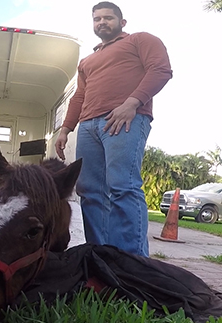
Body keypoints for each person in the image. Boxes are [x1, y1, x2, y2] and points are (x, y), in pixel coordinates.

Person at [55, 1, 172, 258]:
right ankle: (100, 255)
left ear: (122, 22)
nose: (102, 22)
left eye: (108, 18)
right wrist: (65, 129)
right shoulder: (87, 61)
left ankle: (131, 260)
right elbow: (79, 96)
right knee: (89, 191)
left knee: (123, 186)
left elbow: (161, 70)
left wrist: (131, 104)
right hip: (88, 126)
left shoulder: (140, 40)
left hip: (124, 119)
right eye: (97, 19)